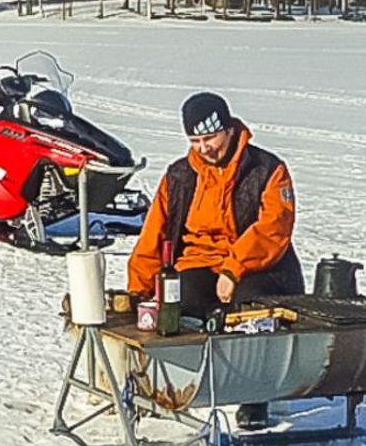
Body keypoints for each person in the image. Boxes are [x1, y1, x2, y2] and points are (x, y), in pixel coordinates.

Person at [127, 91, 303, 317]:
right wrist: (139, 290)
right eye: (195, 141)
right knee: (179, 299)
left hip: (256, 267)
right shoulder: (179, 176)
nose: (203, 148)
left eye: (209, 138)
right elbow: (155, 234)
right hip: (196, 263)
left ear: (229, 131)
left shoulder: (267, 169)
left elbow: (273, 229)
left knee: (249, 305)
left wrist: (232, 271)